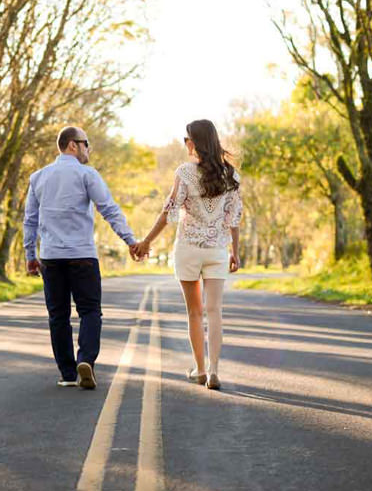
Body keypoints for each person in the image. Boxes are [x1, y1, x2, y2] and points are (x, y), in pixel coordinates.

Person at [23, 126, 143, 390]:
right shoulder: (87, 174)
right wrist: (131, 241)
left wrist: (30, 254)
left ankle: (67, 374)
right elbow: (108, 209)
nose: (89, 149)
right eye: (86, 143)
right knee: (89, 311)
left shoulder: (38, 177)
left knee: (58, 315)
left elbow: (30, 221)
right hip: (82, 257)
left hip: (51, 258)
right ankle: (85, 359)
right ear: (72, 145)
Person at [136, 120, 243, 391]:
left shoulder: (184, 173)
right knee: (215, 311)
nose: (185, 144)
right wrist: (235, 252)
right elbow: (234, 219)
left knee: (194, 312)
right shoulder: (231, 175)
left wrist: (147, 241)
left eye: (186, 139)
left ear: (194, 142)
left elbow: (169, 211)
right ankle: (215, 370)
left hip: (188, 251)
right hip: (217, 251)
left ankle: (200, 369)